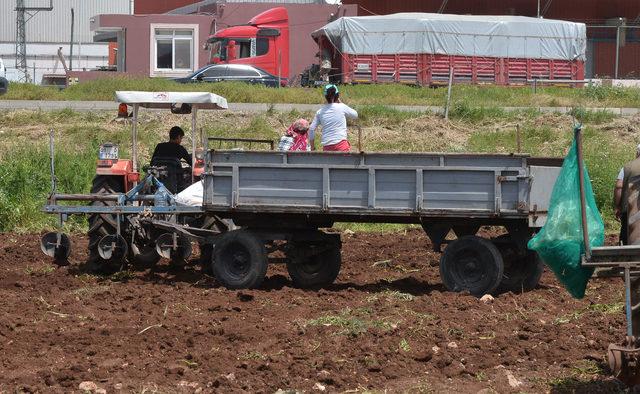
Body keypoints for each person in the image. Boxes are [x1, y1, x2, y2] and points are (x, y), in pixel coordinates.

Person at [308, 84, 358, 152]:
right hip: (341, 145)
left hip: (327, 147)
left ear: (326, 97)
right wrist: (341, 103)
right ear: (338, 96)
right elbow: (355, 115)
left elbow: (311, 129)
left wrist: (312, 147)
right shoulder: (341, 107)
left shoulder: (320, 112)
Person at [614, 144, 640, 245]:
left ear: (637, 153)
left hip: (629, 209)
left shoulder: (628, 167)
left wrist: (617, 206)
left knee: (626, 236)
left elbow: (619, 186)